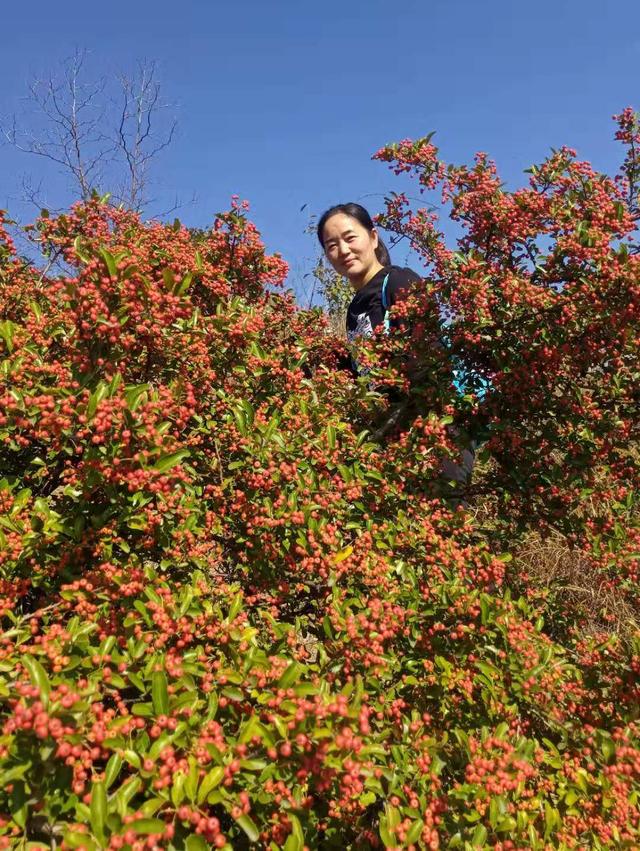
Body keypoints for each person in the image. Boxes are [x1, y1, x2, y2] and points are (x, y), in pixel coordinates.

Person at [317, 201, 474, 496]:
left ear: (373, 238)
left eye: (350, 238)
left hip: (435, 431)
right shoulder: (354, 310)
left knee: (441, 529)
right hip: (396, 439)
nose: (344, 250)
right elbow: (369, 376)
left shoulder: (399, 280)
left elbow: (427, 357)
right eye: (332, 245)